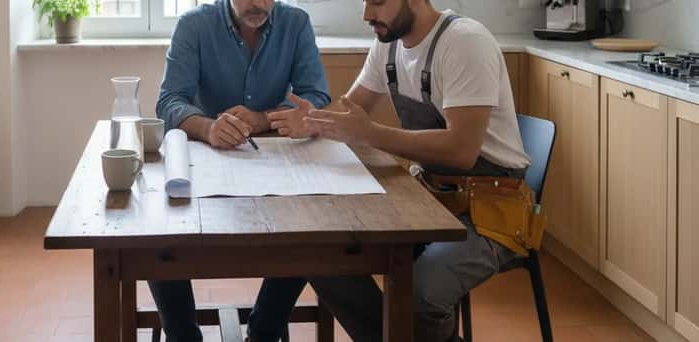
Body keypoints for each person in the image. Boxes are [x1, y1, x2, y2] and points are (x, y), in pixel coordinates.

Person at [267, 0, 532, 340]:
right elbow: (351, 110)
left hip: (490, 209)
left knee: (422, 294)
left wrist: (370, 134)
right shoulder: (388, 44)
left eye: (377, 2)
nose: (367, 14)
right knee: (323, 253)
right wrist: (313, 122)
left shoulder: (465, 42)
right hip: (430, 197)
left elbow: (462, 150)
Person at [153, 0, 330, 340]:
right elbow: (169, 101)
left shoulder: (296, 23)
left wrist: (263, 119)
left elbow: (317, 95)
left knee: (309, 230)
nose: (259, 4)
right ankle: (182, 335)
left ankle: (265, 330)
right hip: (205, 156)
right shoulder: (194, 25)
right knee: (160, 233)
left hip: (275, 158)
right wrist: (208, 128)